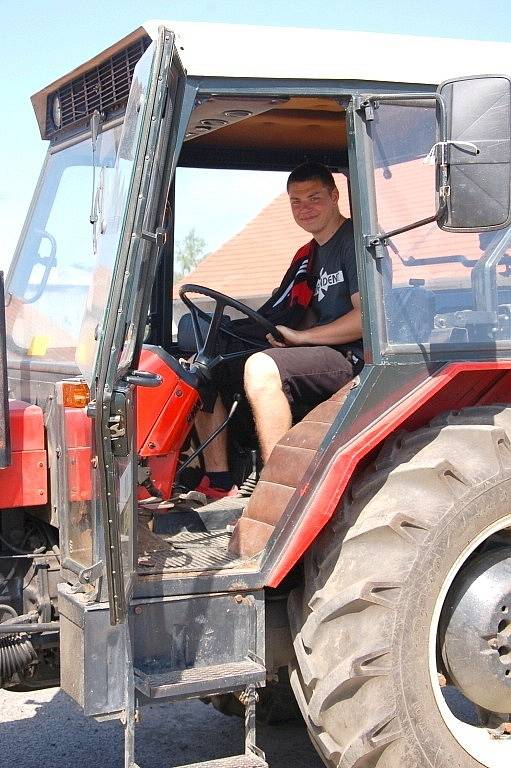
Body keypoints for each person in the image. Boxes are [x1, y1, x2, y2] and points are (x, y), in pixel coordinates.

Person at [193, 162, 363, 498]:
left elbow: (366, 318)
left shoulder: (353, 243)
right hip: (322, 350)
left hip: (356, 357)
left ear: (334, 196)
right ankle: (219, 480)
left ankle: (277, 493)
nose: (305, 208)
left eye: (314, 198)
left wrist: (303, 338)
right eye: (296, 201)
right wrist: (288, 335)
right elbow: (304, 310)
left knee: (262, 367)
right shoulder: (310, 255)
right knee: (203, 366)